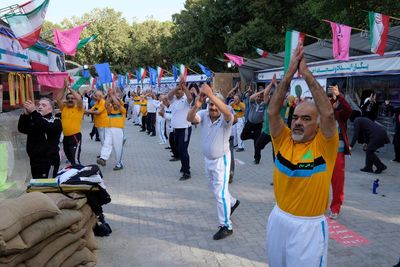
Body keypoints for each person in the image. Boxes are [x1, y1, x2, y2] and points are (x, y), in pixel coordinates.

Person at [267, 42, 338, 266]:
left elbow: (327, 113)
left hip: (309, 227)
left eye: (306, 119)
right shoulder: (283, 139)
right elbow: (272, 111)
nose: (298, 122)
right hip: (278, 219)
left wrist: (306, 74)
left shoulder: (324, 145)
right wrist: (288, 74)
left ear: (317, 125)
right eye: (296, 117)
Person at [187, 84, 240, 240]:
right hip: (207, 160)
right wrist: (196, 107)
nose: (213, 108)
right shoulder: (203, 114)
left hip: (221, 161)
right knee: (213, 188)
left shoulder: (226, 119)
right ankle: (232, 202)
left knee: (220, 193)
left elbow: (228, 112)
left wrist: (211, 95)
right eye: (210, 104)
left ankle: (226, 226)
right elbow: (190, 118)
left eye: (216, 104)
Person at [18, 98, 62, 178]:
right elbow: (22, 128)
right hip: (35, 160)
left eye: (43, 105)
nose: (40, 107)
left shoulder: (56, 121)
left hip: (49, 161)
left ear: (50, 109)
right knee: (37, 186)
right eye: (38, 105)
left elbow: (45, 126)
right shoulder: (36, 119)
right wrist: (25, 115)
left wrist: (34, 112)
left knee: (46, 187)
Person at [327, 83, 352, 219]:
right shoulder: (325, 107)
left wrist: (339, 96)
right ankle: (317, 204)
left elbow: (349, 110)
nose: (332, 93)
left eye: (334, 90)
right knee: (319, 180)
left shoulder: (340, 111)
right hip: (322, 151)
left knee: (337, 182)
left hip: (337, 152)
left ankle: (335, 208)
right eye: (330, 90)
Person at [168, 78, 193, 181]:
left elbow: (190, 97)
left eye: (180, 91)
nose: (178, 92)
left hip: (185, 128)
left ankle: (187, 172)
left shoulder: (186, 101)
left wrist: (184, 87)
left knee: (183, 150)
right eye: (177, 91)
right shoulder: (173, 100)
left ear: (183, 92)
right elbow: (169, 95)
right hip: (176, 129)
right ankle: (184, 166)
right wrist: (178, 86)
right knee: (179, 150)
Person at [56, 82, 84, 166]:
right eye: (68, 98)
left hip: (75, 136)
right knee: (69, 158)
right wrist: (64, 87)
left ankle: (78, 172)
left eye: (72, 98)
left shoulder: (79, 108)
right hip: (66, 137)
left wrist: (69, 88)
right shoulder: (64, 108)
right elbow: (58, 99)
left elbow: (79, 99)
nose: (70, 100)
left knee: (74, 158)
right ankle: (73, 172)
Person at [98, 89, 126, 170]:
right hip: (108, 129)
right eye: (113, 103)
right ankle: (103, 158)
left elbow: (117, 103)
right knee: (107, 143)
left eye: (116, 103)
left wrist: (113, 96)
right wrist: (109, 96)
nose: (114, 104)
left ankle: (119, 164)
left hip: (117, 130)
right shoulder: (110, 110)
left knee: (118, 147)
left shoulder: (122, 110)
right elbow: (106, 105)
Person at [241, 88, 266, 164]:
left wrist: (264, 94)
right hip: (249, 123)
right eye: (258, 97)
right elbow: (251, 97)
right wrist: (260, 92)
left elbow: (268, 99)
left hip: (258, 125)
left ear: (263, 98)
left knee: (257, 144)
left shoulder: (264, 105)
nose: (259, 98)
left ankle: (257, 159)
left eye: (261, 97)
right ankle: (254, 136)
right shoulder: (253, 102)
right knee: (242, 137)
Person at [85, 90, 109, 159]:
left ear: (100, 96)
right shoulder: (97, 102)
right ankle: (105, 153)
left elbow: (98, 112)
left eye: (96, 96)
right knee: (103, 140)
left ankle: (104, 154)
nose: (94, 96)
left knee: (103, 140)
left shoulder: (103, 102)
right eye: (94, 95)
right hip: (99, 124)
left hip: (103, 123)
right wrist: (85, 112)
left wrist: (86, 111)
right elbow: (92, 109)